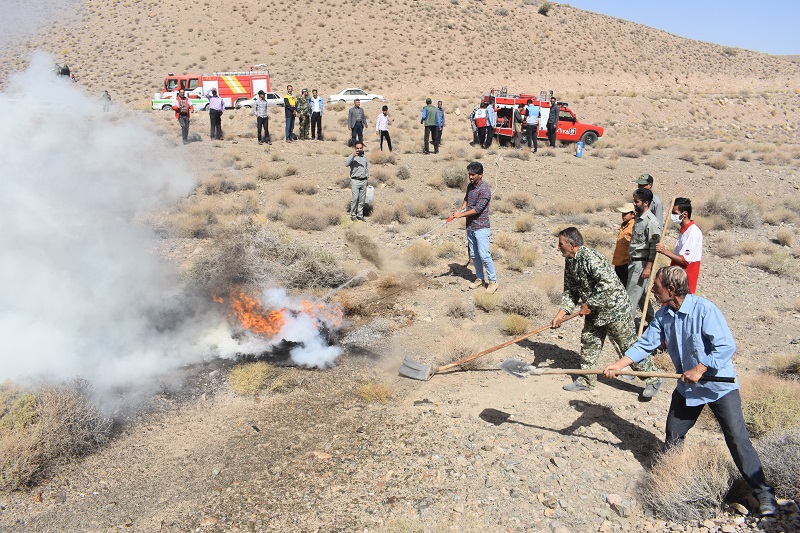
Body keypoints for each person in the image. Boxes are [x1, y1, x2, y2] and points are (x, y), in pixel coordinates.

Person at [603, 266, 778, 516]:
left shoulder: (705, 310)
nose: (652, 289)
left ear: (671, 290)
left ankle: (763, 492)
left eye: (657, 286)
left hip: (719, 387)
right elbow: (646, 343)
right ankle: (673, 480)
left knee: (738, 440)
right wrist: (619, 365)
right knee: (674, 435)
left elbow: (726, 346)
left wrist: (700, 367)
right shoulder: (664, 314)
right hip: (688, 390)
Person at [550, 227, 663, 397]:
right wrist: (561, 313)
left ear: (572, 245)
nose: (558, 247)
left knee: (628, 346)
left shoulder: (591, 258)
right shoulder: (571, 261)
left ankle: (653, 379)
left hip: (614, 309)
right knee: (589, 341)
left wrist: (589, 303)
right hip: (594, 311)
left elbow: (608, 285)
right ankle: (587, 380)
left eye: (560, 244)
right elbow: (571, 290)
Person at [452, 162, 497, 294]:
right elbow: (466, 198)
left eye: (473, 174)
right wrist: (462, 207)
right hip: (470, 227)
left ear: (480, 175)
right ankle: (479, 278)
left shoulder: (485, 190)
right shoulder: (470, 186)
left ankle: (493, 282)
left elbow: (477, 209)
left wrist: (461, 215)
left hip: (481, 227)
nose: (470, 177)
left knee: (484, 255)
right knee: (474, 255)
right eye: (469, 174)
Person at [627, 187, 661, 324]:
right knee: (641, 298)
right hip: (634, 263)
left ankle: (627, 335)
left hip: (641, 265)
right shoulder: (640, 219)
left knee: (630, 300)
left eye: (636, 202)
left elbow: (654, 246)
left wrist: (648, 267)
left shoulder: (651, 222)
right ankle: (655, 326)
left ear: (645, 203)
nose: (634, 204)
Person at [656, 198, 703, 294]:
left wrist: (665, 251)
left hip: (683, 283)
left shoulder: (693, 232)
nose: (672, 216)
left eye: (675, 213)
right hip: (675, 279)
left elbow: (685, 261)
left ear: (684, 214)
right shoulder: (684, 231)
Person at [612, 202, 635, 287]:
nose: (623, 215)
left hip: (626, 263)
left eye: (626, 213)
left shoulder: (634, 226)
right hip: (619, 262)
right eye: (622, 213)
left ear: (633, 214)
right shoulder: (624, 225)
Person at [344, 141, 369, 221]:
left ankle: (360, 215)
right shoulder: (352, 157)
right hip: (355, 181)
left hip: (364, 181)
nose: (359, 149)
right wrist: (352, 156)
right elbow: (346, 164)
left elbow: (366, 168)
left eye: (360, 148)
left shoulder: (365, 157)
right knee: (355, 199)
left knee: (362, 200)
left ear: (362, 148)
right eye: (357, 148)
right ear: (355, 149)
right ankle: (353, 215)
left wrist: (367, 178)